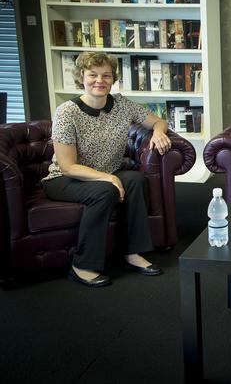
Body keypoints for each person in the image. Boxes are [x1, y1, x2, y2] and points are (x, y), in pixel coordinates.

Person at [42, 51, 171, 287]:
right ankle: (82, 265)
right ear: (82, 77)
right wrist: (108, 178)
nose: (99, 81)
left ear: (113, 79)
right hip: (65, 179)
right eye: (93, 75)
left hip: (105, 174)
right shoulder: (66, 113)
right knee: (105, 190)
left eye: (106, 75)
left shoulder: (121, 104)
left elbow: (158, 120)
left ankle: (132, 253)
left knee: (135, 180)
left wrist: (159, 131)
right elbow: (68, 167)